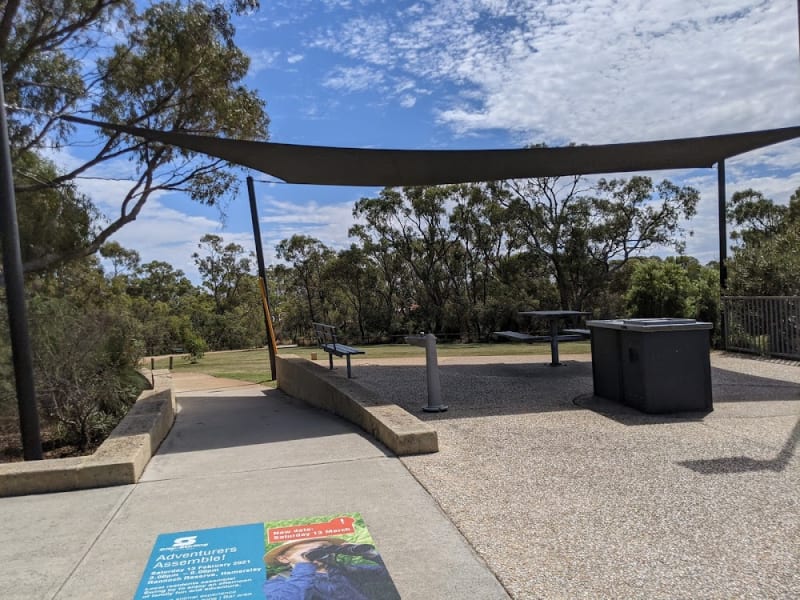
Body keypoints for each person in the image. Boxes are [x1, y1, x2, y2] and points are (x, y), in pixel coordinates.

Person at [262, 537, 400, 600]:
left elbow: (395, 574)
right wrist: (304, 566)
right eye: (311, 551)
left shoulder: (343, 571)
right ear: (283, 558)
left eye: (325, 549)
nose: (322, 554)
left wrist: (370, 554)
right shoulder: (278, 582)